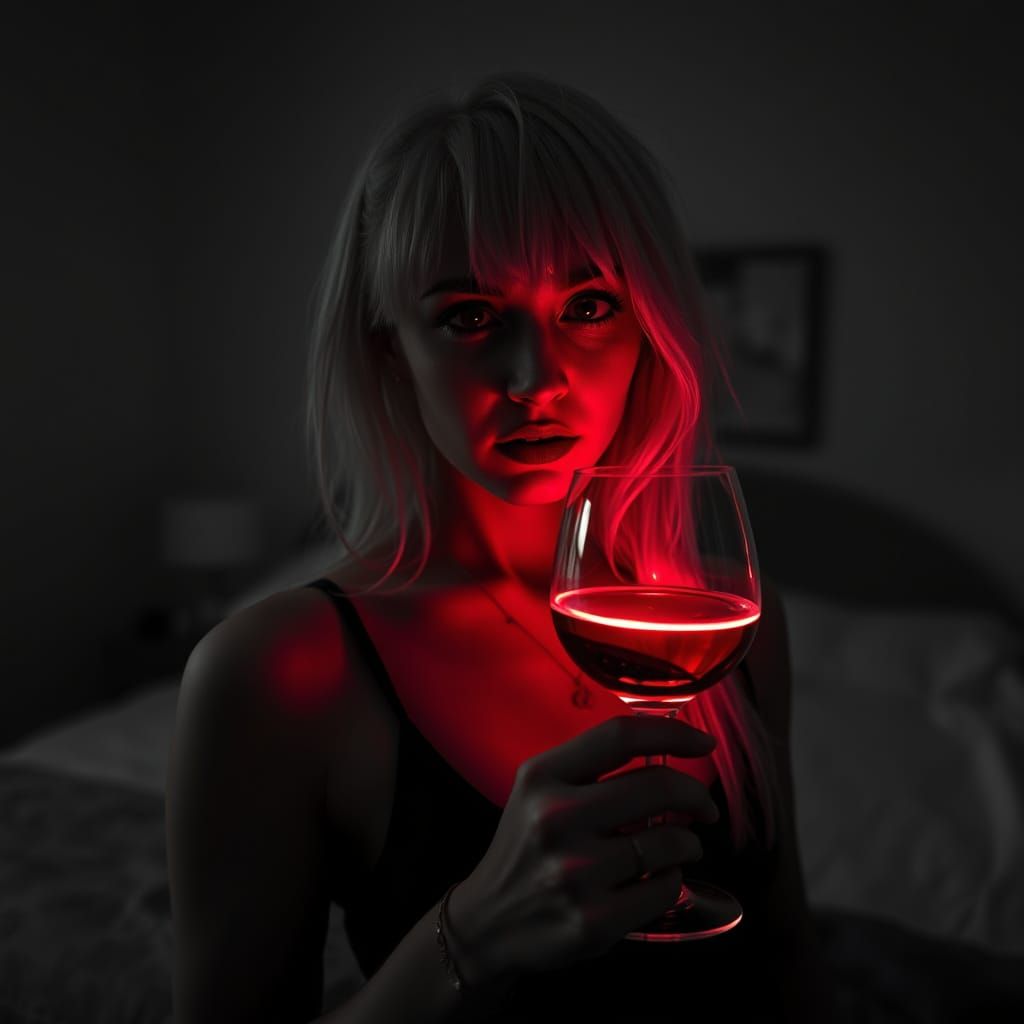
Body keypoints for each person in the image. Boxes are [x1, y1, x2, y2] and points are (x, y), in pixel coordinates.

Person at [166, 72, 840, 1023]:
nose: (537, 379)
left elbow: (788, 960)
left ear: (652, 326)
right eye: (471, 316)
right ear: (391, 343)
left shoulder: (729, 633)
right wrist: (467, 938)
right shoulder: (277, 672)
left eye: (591, 305)